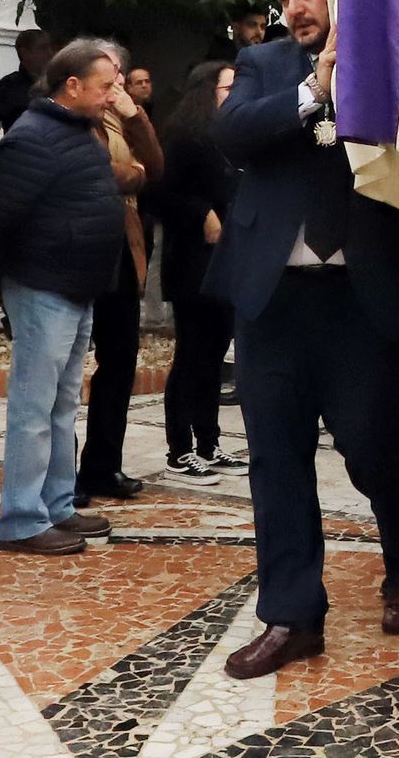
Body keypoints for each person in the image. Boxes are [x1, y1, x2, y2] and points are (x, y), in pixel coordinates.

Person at [204, 0, 399, 680]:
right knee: (275, 462)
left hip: (358, 296)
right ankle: (291, 614)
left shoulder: (393, 53)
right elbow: (235, 132)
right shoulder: (267, 64)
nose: (297, 7)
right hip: (272, 299)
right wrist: (313, 90)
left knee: (377, 446)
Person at [0, 41, 127, 555]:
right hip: (44, 285)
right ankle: (22, 519)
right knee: (34, 405)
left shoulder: (75, 130)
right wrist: (18, 279)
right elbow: (1, 216)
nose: (113, 96)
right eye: (105, 86)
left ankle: (57, 505)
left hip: (77, 285)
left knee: (64, 404)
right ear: (72, 86)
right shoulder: (32, 137)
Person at [73, 44, 163, 506]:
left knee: (121, 357)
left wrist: (135, 117)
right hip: (80, 244)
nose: (113, 86)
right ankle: (58, 476)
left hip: (123, 245)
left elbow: (156, 166)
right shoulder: (71, 114)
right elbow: (96, 173)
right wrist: (134, 174)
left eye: (118, 76)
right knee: (66, 366)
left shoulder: (123, 114)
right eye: (105, 77)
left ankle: (103, 464)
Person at [154, 62, 245, 484]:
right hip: (192, 260)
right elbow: (165, 193)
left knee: (214, 357)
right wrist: (202, 212)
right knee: (191, 355)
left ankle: (209, 441)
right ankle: (180, 449)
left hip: (227, 259)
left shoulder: (232, 137)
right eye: (230, 87)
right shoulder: (185, 137)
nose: (236, 93)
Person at [0, 28, 54, 135]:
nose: (50, 53)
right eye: (43, 48)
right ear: (25, 53)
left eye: (50, 48)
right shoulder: (10, 84)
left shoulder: (57, 81)